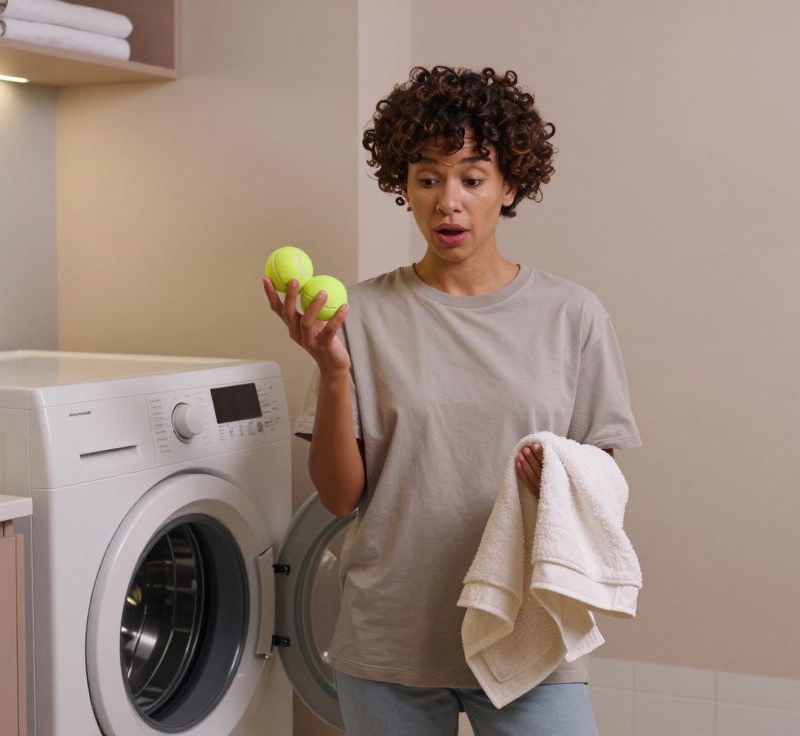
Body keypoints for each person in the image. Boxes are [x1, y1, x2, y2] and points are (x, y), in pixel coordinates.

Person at [261, 65, 641, 736]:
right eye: (427, 178)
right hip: (389, 643)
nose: (448, 202)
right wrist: (332, 372)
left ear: (510, 185)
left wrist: (560, 477)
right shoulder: (360, 315)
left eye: (472, 177)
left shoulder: (572, 315)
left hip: (528, 636)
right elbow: (340, 498)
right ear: (403, 186)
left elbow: (598, 483)